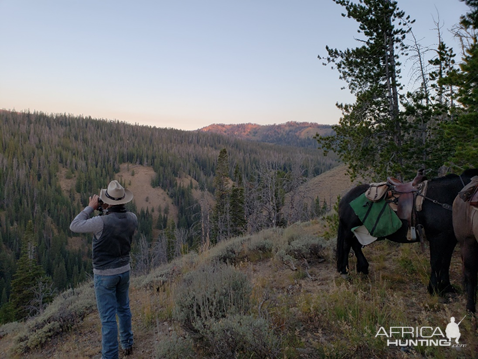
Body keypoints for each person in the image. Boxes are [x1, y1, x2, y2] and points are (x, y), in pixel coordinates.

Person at [70, 180, 138, 359]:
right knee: (124, 308)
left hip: (105, 275)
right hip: (124, 271)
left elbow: (74, 225)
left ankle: (110, 356)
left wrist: (90, 207)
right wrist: (106, 208)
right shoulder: (132, 218)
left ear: (108, 202)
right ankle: (128, 343)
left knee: (108, 319)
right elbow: (117, 223)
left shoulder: (100, 222)